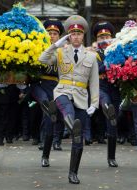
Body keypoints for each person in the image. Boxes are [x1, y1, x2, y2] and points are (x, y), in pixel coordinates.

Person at [39, 15, 99, 184]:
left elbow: (94, 83)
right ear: (68, 36)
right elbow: (42, 59)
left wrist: (94, 104)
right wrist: (56, 44)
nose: (76, 37)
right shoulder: (59, 52)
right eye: (72, 34)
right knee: (68, 111)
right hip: (62, 92)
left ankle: (73, 172)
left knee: (78, 138)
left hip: (81, 96)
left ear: (83, 36)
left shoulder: (91, 56)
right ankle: (72, 125)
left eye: (79, 34)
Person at [33, 18, 65, 167]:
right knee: (48, 111)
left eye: (54, 33)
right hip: (40, 85)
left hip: (56, 85)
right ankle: (44, 139)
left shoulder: (63, 52)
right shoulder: (38, 48)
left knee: (57, 115)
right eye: (49, 33)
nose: (52, 36)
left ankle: (56, 140)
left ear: (59, 36)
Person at [92, 21, 119, 166]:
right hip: (101, 88)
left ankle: (111, 157)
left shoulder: (118, 51)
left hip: (115, 88)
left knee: (113, 122)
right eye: (101, 37)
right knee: (108, 109)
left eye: (107, 36)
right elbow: (96, 70)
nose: (104, 40)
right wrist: (109, 61)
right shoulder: (94, 55)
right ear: (97, 40)